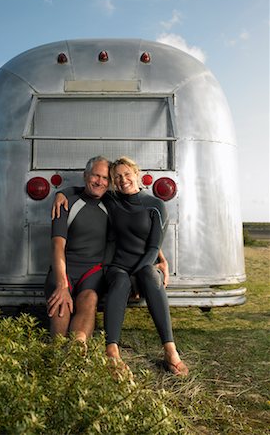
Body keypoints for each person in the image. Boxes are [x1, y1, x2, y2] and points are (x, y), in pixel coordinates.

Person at [53, 156, 188, 376]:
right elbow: (84, 189)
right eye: (117, 177)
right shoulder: (112, 200)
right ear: (114, 182)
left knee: (150, 276)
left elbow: (153, 247)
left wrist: (157, 262)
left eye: (127, 174)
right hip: (117, 265)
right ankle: (112, 350)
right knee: (120, 280)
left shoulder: (155, 205)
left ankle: (170, 350)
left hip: (144, 264)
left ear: (137, 174)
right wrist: (61, 193)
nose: (123, 179)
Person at [45, 156, 110, 347]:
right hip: (64, 269)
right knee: (61, 302)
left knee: (89, 299)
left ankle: (77, 349)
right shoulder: (66, 203)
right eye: (95, 176)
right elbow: (58, 246)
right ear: (85, 176)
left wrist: (159, 257)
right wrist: (61, 284)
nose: (100, 181)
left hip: (93, 271)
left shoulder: (111, 205)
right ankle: (57, 348)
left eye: (105, 178)